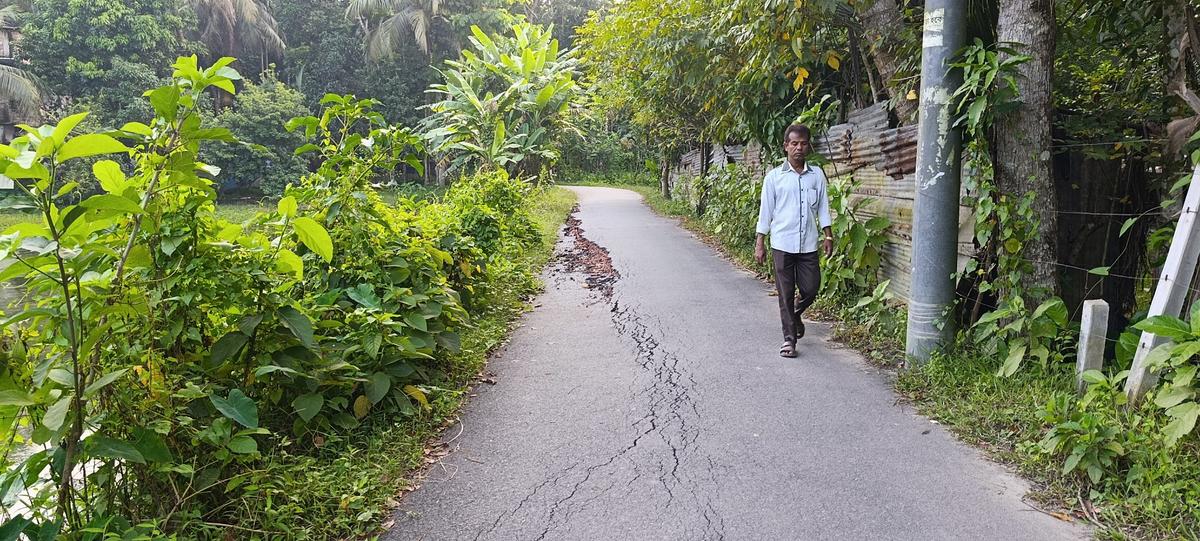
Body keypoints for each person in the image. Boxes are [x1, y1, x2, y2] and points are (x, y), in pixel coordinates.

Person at [754, 124, 833, 358]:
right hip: (782, 245)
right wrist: (760, 242)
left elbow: (823, 208)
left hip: (808, 244)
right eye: (794, 143)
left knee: (811, 288)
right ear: (786, 146)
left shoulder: (816, 175)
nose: (799, 148)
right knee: (785, 293)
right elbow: (765, 212)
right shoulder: (774, 178)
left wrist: (828, 235)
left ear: (809, 146)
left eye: (803, 143)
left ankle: (795, 313)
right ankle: (789, 339)